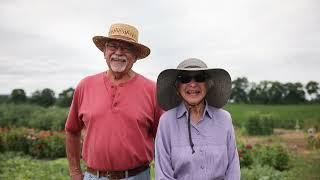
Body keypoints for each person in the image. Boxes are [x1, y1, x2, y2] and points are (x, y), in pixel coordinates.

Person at [65, 23, 163, 180]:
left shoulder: (152, 90)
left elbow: (163, 139)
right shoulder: (85, 86)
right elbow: (72, 131)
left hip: (137, 176)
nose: (118, 53)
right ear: (104, 51)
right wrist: (75, 172)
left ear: (136, 56)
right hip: (93, 176)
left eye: (127, 48)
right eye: (113, 46)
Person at [155, 58, 240, 179]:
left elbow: (233, 168)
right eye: (185, 79)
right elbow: (163, 174)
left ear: (208, 84)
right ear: (177, 87)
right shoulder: (166, 122)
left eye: (199, 78)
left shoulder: (224, 119)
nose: (193, 84)